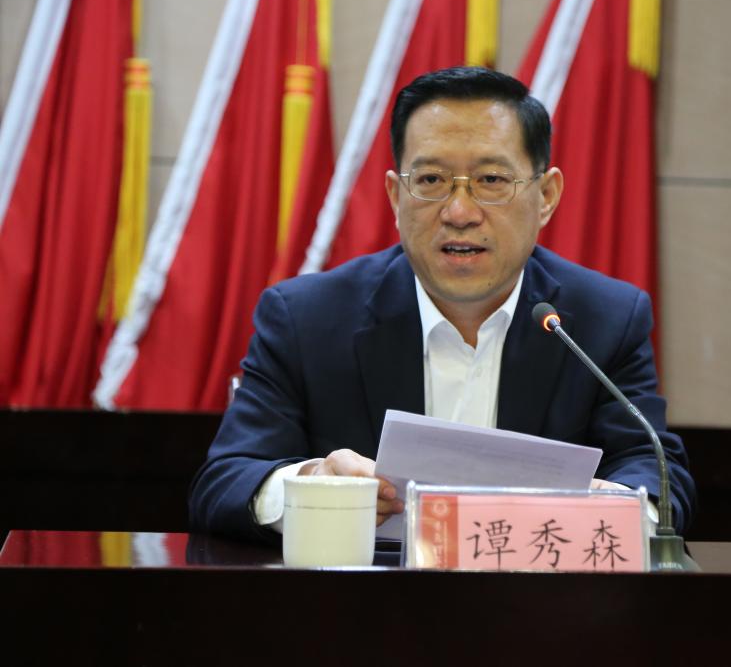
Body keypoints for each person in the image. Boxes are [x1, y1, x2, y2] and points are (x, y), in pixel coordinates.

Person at [189, 66, 695, 543]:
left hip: (537, 598)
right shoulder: (307, 318)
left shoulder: (603, 320)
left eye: (491, 181)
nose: (459, 212)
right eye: (431, 180)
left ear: (546, 196)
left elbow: (654, 472)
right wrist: (312, 485)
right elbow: (226, 482)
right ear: (396, 196)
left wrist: (620, 507)